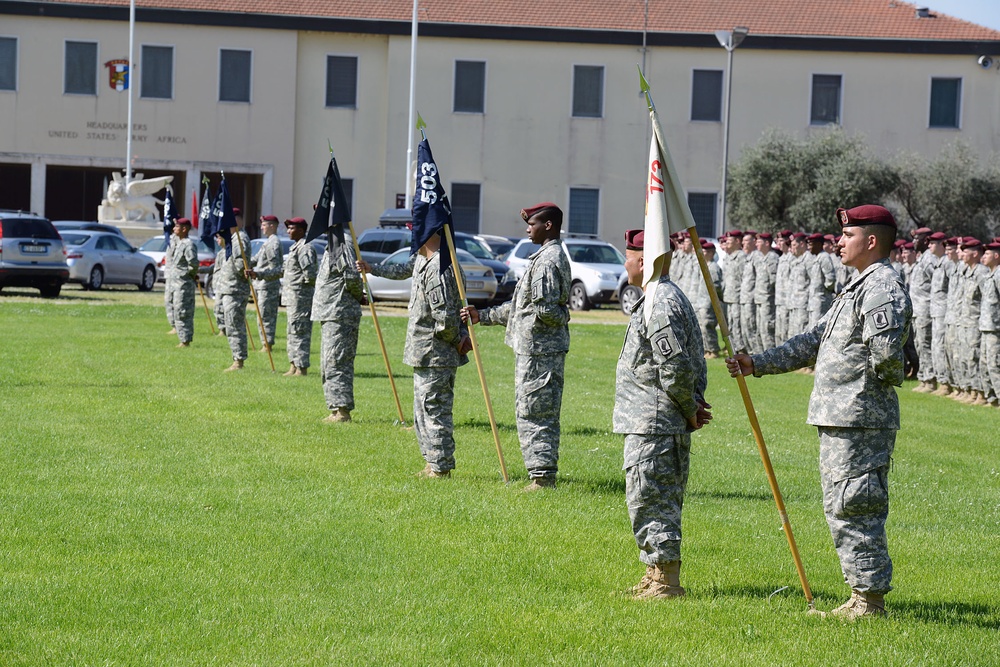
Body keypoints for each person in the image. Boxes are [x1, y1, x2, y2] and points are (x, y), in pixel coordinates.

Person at [726, 204, 912, 620]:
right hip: (841, 415)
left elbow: (886, 358)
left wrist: (882, 376)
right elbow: (815, 340)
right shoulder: (857, 287)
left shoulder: (881, 287)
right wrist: (759, 363)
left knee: (855, 504)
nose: (839, 241)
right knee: (841, 504)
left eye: (848, 235)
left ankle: (869, 602)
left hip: (860, 416)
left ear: (872, 241)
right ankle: (861, 594)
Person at [614, 229, 711, 599]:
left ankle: (667, 581)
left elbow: (674, 367)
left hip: (654, 421)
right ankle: (656, 572)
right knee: (649, 498)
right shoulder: (658, 297)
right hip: (652, 419)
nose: (625, 264)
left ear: (643, 260)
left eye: (628, 256)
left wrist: (689, 409)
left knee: (652, 500)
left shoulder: (661, 301)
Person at [462, 202, 571, 490]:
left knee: (536, 411)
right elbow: (523, 307)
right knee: (529, 409)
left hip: (540, 351)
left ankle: (542, 477)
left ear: (548, 225)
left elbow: (546, 310)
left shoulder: (548, 261)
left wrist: (561, 315)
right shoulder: (543, 258)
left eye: (532, 223)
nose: (527, 228)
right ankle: (539, 472)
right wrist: (483, 315)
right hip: (533, 349)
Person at [358, 232, 471, 477]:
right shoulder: (425, 260)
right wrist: (372, 269)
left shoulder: (442, 265)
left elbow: (447, 316)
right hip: (424, 351)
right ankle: (432, 462)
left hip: (437, 352)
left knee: (434, 409)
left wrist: (458, 338)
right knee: (422, 410)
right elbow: (403, 270)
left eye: (417, 227)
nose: (412, 234)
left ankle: (441, 468)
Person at [313, 232, 365, 422]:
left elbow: (351, 276)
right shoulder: (332, 242)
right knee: (329, 362)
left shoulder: (342, 243)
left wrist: (359, 296)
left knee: (337, 360)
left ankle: (342, 411)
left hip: (340, 312)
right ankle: (335, 408)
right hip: (331, 312)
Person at [282, 217, 318, 376]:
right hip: (292, 298)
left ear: (302, 230)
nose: (288, 231)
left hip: (301, 298)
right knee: (292, 331)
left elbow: (310, 274)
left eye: (291, 228)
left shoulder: (305, 247)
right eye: (288, 228)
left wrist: (301, 289)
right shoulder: (295, 248)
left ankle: (302, 367)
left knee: (300, 331)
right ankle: (293, 365)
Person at [218, 222, 252, 372]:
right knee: (231, 325)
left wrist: (242, 271)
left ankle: (239, 361)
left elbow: (240, 263)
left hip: (236, 289)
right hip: (230, 288)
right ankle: (236, 358)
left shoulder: (239, 238)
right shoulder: (232, 239)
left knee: (235, 325)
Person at [249, 215, 284, 350]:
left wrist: (259, 274)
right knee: (261, 314)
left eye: (264, 225)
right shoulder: (267, 242)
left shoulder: (273, 243)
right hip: (261, 284)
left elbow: (275, 268)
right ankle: (265, 341)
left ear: (272, 226)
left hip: (268, 285)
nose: (261, 227)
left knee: (266, 315)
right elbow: (257, 259)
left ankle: (267, 343)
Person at [170, 218, 199, 348]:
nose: (173, 229)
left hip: (184, 284)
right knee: (177, 310)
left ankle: (185, 340)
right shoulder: (180, 243)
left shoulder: (188, 245)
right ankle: (182, 338)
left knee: (183, 311)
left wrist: (188, 276)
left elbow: (193, 264)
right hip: (176, 284)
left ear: (184, 229)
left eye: (176, 227)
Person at [979, 241, 1000, 408]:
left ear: (996, 256)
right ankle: (991, 398)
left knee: (995, 364)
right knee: (985, 363)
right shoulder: (989, 275)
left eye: (987, 254)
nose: (983, 257)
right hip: (986, 326)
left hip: (995, 328)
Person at [693, 239, 722, 358]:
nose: (702, 253)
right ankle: (707, 349)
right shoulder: (705, 266)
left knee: (707, 325)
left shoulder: (714, 267)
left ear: (711, 253)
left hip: (708, 301)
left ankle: (713, 350)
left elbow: (716, 286)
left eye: (704, 251)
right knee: (702, 326)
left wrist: (712, 301)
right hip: (701, 300)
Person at [720, 231, 745, 352]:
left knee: (737, 323)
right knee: (730, 323)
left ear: (738, 241)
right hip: (728, 296)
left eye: (730, 240)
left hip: (737, 297)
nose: (727, 242)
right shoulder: (728, 258)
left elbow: (743, 279)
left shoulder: (742, 257)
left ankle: (741, 348)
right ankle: (734, 347)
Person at [753, 232, 779, 351]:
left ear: (767, 243)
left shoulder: (772, 258)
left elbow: (774, 281)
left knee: (766, 329)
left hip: (767, 300)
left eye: (759, 241)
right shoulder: (762, 257)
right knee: (759, 329)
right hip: (759, 298)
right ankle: (760, 355)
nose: (756, 244)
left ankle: (769, 354)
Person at [211, 233, 228, 336]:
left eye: (219, 238)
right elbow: (217, 268)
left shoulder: (227, 252)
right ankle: (221, 328)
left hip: (224, 284)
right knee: (217, 307)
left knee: (220, 307)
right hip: (218, 284)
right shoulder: (221, 253)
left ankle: (223, 329)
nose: (217, 240)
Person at [163, 221, 177, 334]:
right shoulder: (171, 240)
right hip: (169, 275)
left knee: (177, 302)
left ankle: (178, 327)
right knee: (168, 301)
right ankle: (173, 325)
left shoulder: (180, 242)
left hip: (177, 278)